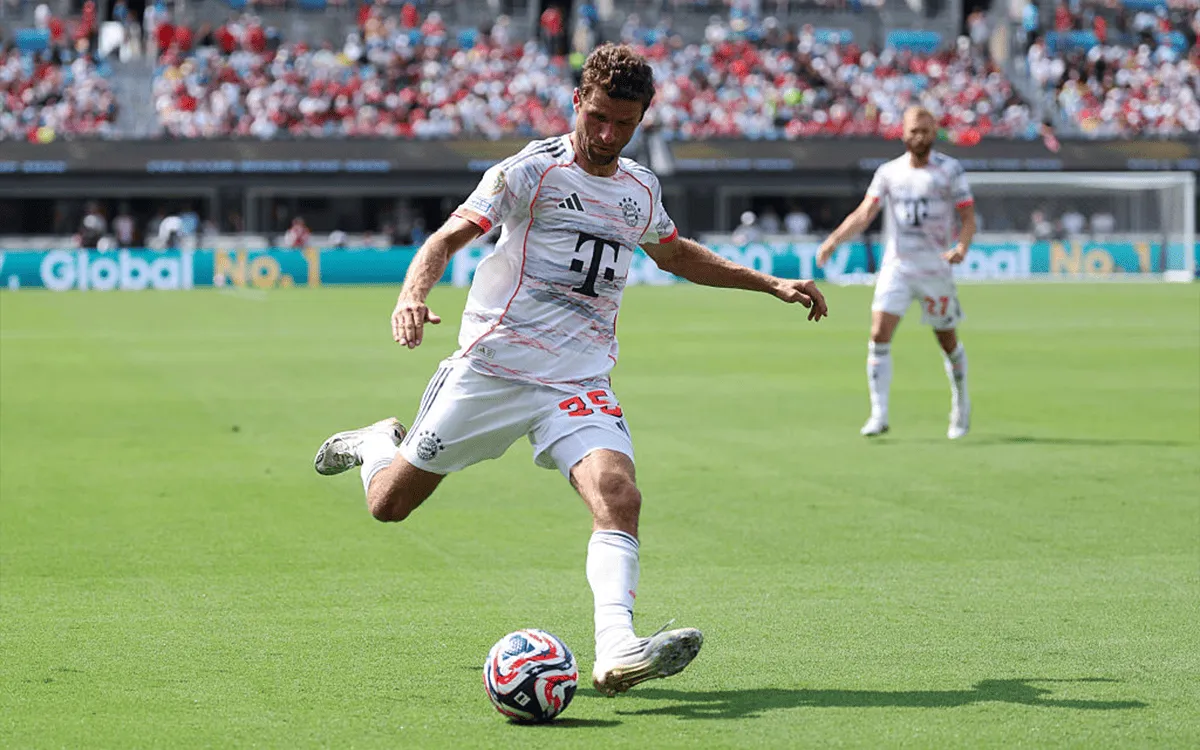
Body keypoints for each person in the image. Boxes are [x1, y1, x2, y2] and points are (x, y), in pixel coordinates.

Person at [312, 44, 828, 697]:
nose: (609, 136)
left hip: (578, 381)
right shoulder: (529, 173)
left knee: (620, 495)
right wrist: (413, 294)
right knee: (389, 505)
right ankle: (374, 443)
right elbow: (445, 239)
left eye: (626, 124)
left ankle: (615, 650)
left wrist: (769, 283)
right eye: (600, 118)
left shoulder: (640, 188)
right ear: (577, 103)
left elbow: (675, 254)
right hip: (493, 370)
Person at [816, 106, 976, 440]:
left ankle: (961, 403)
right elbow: (865, 213)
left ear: (935, 133)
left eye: (926, 130)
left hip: (936, 269)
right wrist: (834, 241)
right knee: (878, 333)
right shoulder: (889, 172)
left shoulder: (950, 170)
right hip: (898, 267)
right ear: (902, 132)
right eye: (914, 130)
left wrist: (961, 247)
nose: (920, 136)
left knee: (947, 341)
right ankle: (879, 413)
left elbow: (968, 217)